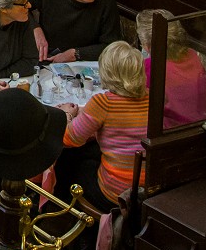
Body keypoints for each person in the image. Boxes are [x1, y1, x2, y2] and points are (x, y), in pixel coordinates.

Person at [58, 41, 150, 211]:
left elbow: (70, 139)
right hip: (148, 190)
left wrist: (67, 114)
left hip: (115, 195)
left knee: (68, 160)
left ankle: (66, 217)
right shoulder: (153, 99)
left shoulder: (103, 103)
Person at [138, 11, 206, 128]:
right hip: (204, 126)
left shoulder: (151, 65)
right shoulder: (192, 54)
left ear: (147, 45)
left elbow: (142, 103)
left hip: (170, 130)